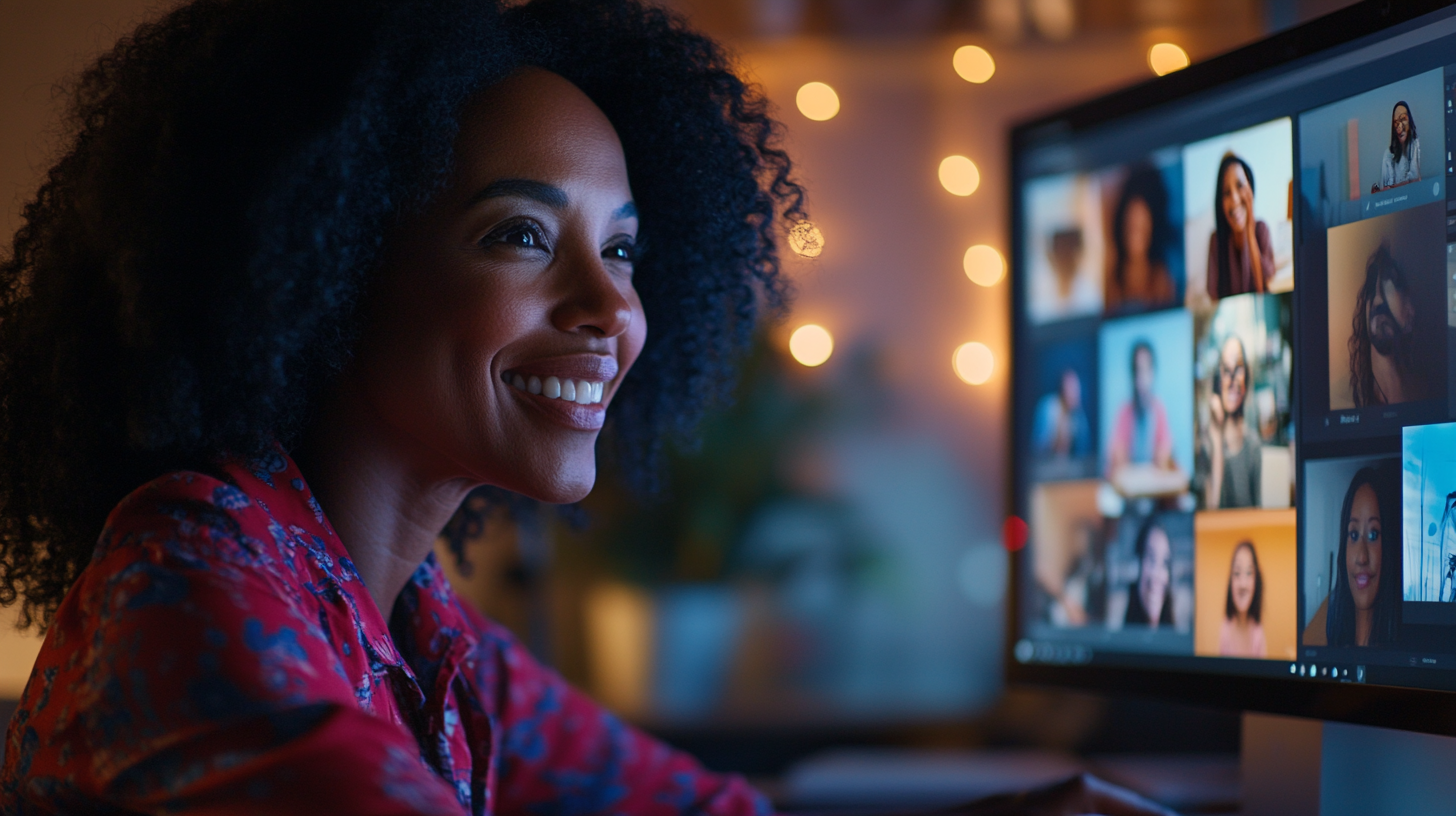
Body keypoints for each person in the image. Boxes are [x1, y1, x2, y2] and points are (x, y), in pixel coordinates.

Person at [0, 1, 1172, 814]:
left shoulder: (420, 627)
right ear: (321, 264)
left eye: (622, 251)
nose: (609, 307)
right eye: (519, 235)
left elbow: (702, 810)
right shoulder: (186, 577)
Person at [1303, 465, 1402, 647]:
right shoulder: (1333, 609)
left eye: (1373, 535)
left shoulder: (1404, 625)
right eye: (1354, 535)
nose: (1362, 557)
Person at [1348, 239, 1436, 407]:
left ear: (1411, 311)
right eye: (1371, 289)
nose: (1377, 299)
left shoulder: (1426, 393)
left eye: (1391, 282)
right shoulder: (1351, 401)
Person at [1106, 341, 1187, 497]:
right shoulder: (1124, 412)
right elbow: (1117, 465)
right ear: (1132, 375)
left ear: (1153, 372)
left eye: (1146, 369)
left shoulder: (1159, 409)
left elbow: (1164, 458)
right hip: (1130, 498)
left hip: (1155, 496)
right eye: (1138, 370)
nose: (1142, 377)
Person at [1197, 335, 1261, 509]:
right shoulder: (1205, 446)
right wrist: (1216, 443)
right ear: (1218, 379)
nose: (1232, 380)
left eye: (1238, 368)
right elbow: (1211, 512)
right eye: (1226, 370)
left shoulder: (1253, 445)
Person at [1105, 163, 1177, 313]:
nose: (1135, 234)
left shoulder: (1162, 281)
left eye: (1141, 227)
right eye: (1130, 225)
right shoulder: (1110, 281)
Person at [1205, 153, 1273, 298]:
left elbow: (1266, 288)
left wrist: (1249, 233)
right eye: (1227, 193)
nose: (1235, 200)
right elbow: (1213, 296)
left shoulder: (1261, 229)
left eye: (1240, 185)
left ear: (1251, 190)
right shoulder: (1216, 241)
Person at [1124, 516, 1175, 628]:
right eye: (1151, 558)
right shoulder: (1122, 640)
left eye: (1165, 563)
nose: (1157, 575)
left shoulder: (1177, 641)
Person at [1218, 541, 1266, 658]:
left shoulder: (1258, 633)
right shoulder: (1225, 630)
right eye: (1237, 573)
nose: (1243, 584)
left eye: (1249, 573)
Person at [1032, 368, 1091, 459]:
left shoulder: (1078, 415)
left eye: (1077, 388)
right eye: (1071, 388)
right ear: (1062, 388)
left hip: (1069, 469)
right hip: (1046, 465)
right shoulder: (1048, 407)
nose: (1075, 393)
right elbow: (1039, 445)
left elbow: (1083, 450)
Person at [1372, 101, 1421, 193]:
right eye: (1396, 122)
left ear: (1409, 121)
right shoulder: (1388, 154)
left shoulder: (1415, 144)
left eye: (1403, 119)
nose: (1399, 126)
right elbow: (1383, 188)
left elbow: (1415, 179)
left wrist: (1391, 189)